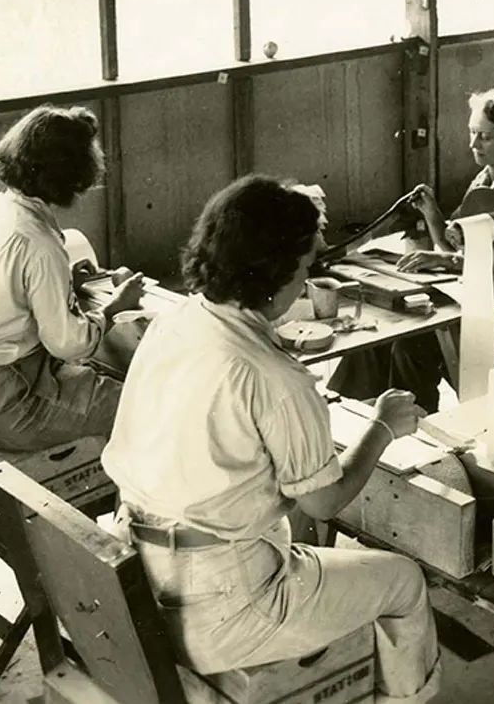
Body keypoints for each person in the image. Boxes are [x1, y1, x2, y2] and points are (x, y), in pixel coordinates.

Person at [101, 176, 440, 703]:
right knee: (403, 580)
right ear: (273, 272)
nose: (305, 285)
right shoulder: (275, 377)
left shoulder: (175, 321)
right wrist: (381, 428)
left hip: (139, 576)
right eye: (304, 270)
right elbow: (325, 502)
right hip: (221, 608)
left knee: (289, 524)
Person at [329, 86, 494, 413]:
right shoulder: (483, 181)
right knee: (384, 328)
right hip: (476, 290)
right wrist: (433, 215)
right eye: (472, 133)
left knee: (413, 340)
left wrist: (442, 259)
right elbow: (454, 245)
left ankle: (416, 426)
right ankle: (359, 412)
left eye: (485, 137)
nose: (473, 144)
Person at [0, 105, 144, 452]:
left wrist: (62, 284)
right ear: (71, 175)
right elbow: (69, 344)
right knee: (142, 401)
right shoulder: (39, 242)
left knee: (96, 376)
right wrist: (114, 308)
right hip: (13, 405)